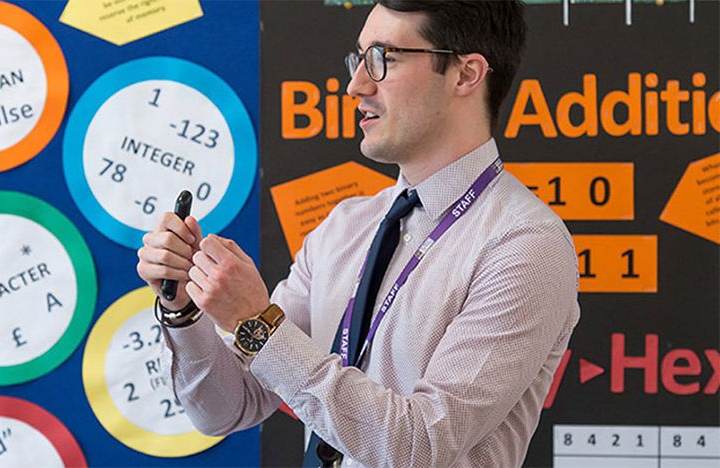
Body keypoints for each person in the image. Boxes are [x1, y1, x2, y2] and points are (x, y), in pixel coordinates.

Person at [136, 1, 580, 466]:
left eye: (382, 59)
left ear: (466, 75)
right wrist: (183, 307)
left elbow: (418, 447)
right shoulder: (346, 226)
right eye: (359, 58)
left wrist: (258, 325)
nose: (356, 85)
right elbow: (228, 408)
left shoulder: (526, 245)